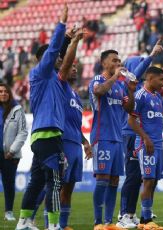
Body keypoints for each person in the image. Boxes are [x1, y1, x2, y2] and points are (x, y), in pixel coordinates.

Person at [16, 5, 70, 230]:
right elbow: (53, 51)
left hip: (43, 135)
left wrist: (68, 41)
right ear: (45, 59)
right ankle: (54, 226)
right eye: (56, 57)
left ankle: (23, 222)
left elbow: (61, 54)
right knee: (55, 182)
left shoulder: (52, 81)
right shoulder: (41, 72)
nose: (60, 60)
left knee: (37, 181)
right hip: (48, 134)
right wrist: (62, 25)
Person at [117, 39, 163, 229]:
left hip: (135, 134)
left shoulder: (142, 91)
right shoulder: (130, 88)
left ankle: (131, 212)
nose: (145, 67)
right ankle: (123, 215)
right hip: (131, 135)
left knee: (139, 177)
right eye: (141, 64)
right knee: (133, 176)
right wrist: (151, 55)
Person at [89, 49, 136, 230]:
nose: (118, 63)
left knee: (115, 180)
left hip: (118, 138)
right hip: (102, 136)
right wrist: (116, 76)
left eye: (119, 60)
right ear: (104, 63)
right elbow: (99, 91)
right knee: (102, 178)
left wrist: (130, 91)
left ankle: (109, 222)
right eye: (114, 60)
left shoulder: (120, 86)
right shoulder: (98, 80)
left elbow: (129, 108)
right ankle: (98, 222)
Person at [128, 66, 163, 230]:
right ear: (150, 78)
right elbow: (131, 121)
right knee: (147, 180)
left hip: (157, 144)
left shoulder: (156, 96)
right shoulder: (140, 96)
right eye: (161, 79)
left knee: (153, 181)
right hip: (145, 144)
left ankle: (146, 217)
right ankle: (146, 221)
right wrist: (145, 138)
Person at [59, 28, 93, 230]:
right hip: (61, 143)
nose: (74, 69)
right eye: (71, 66)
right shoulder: (60, 87)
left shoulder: (76, 96)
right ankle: (50, 223)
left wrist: (85, 142)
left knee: (69, 188)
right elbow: (62, 65)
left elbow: (75, 124)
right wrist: (73, 42)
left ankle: (63, 225)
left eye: (75, 67)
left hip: (75, 144)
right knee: (56, 187)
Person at [0, 83, 28, 221]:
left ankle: (9, 212)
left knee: (9, 184)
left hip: (8, 154)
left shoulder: (17, 109)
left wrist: (12, 151)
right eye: (0, 91)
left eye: (5, 91)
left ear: (9, 93)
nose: (3, 93)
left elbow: (23, 132)